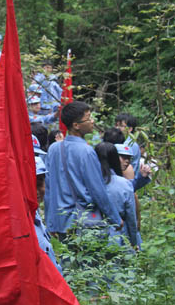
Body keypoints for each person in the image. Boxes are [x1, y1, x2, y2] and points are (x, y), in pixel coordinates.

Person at [45, 101, 123, 237]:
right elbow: (97, 190)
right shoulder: (86, 151)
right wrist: (115, 218)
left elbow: (49, 188)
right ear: (76, 125)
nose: (92, 121)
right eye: (88, 118)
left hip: (61, 222)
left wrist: (50, 222)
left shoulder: (54, 149)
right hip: (84, 222)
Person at [94, 142, 140, 249]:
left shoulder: (87, 182)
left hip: (91, 234)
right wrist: (134, 242)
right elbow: (131, 217)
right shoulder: (124, 184)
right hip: (117, 235)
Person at [115, 113, 151, 190]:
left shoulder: (130, 144)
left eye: (121, 126)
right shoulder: (119, 141)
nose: (117, 128)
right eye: (116, 125)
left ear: (130, 129)